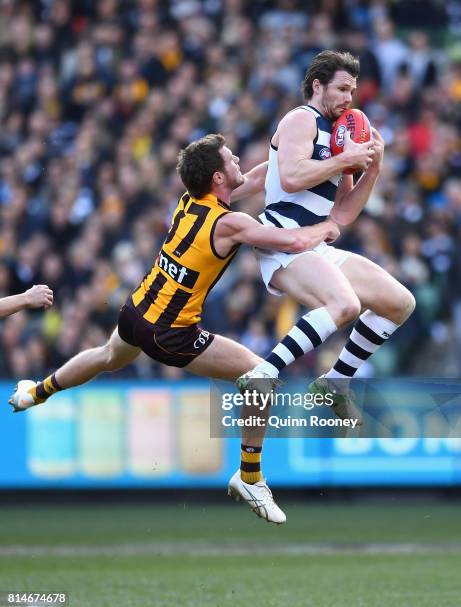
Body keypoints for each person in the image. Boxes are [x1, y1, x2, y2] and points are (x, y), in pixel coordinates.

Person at [9, 133, 339, 524]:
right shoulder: (230, 223)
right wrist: (328, 226)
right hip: (171, 332)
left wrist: (294, 156)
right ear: (217, 178)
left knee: (106, 356)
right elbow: (296, 241)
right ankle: (250, 476)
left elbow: (254, 179)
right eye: (231, 159)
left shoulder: (189, 200)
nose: (238, 161)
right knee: (260, 376)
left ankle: (37, 391)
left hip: (137, 310)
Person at [237, 50, 415, 419]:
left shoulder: (340, 134)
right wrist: (344, 161)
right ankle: (263, 373)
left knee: (399, 302)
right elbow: (291, 177)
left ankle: (336, 380)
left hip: (315, 242)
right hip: (282, 238)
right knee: (345, 305)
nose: (349, 98)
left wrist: (373, 168)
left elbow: (343, 213)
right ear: (317, 86)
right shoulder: (301, 120)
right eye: (342, 89)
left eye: (352, 91)